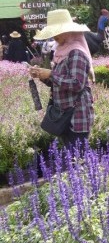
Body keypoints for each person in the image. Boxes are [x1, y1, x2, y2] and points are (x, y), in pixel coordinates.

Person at [29, 9, 94, 148]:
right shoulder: (62, 52)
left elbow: (77, 84)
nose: (55, 36)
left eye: (58, 31)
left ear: (69, 32)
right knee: (72, 158)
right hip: (65, 114)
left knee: (78, 158)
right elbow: (59, 82)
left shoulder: (76, 53)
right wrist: (42, 76)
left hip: (77, 116)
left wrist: (51, 74)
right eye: (53, 33)